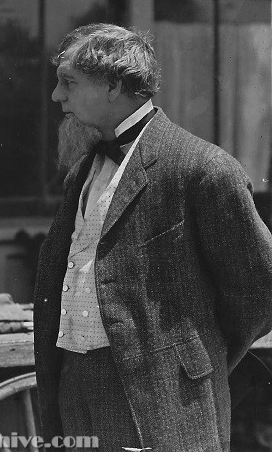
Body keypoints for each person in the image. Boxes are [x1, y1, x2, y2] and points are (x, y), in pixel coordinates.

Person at [33, 23, 272, 451]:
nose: (56, 96)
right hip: (74, 390)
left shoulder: (203, 169)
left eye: (69, 82)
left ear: (113, 85)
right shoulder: (81, 171)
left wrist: (192, 361)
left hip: (162, 399)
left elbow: (259, 293)